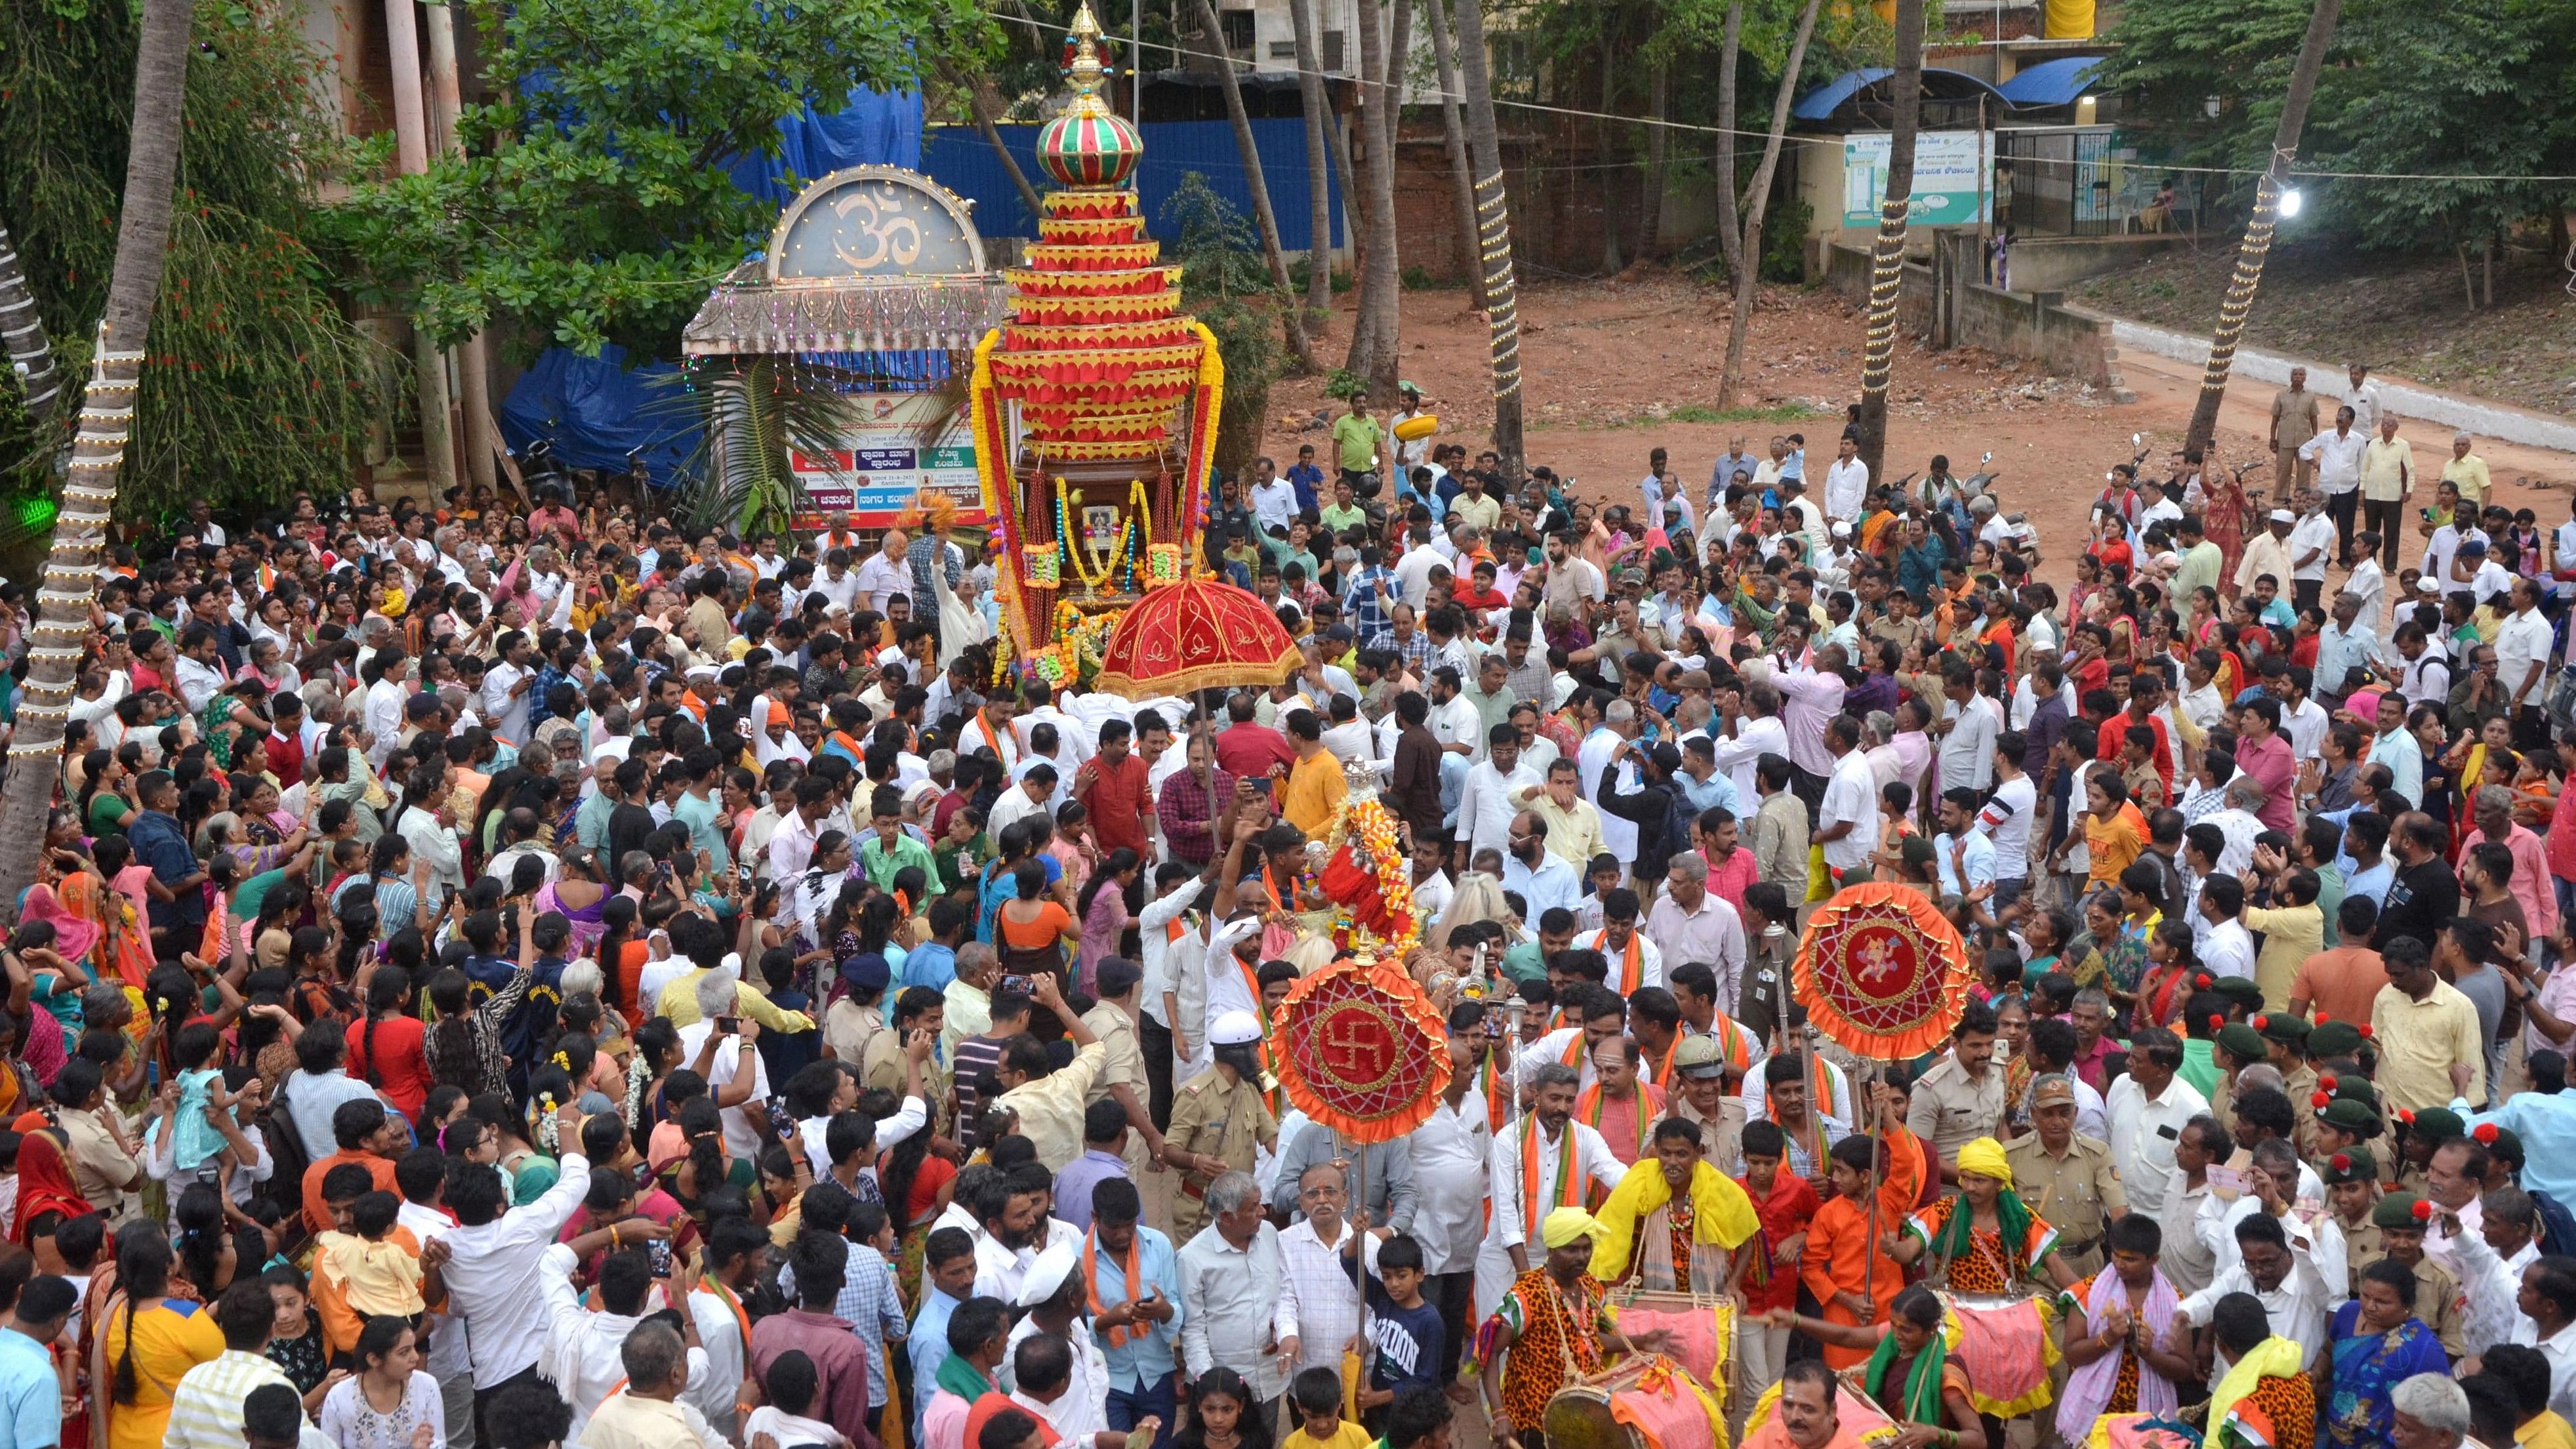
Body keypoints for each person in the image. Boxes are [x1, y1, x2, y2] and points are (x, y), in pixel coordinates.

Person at [1476, 1208, 1653, 1449]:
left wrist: (1644, 1340)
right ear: (1551, 1251)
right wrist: (1499, 1414)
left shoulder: (1590, 1286)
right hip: (1536, 1420)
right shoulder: (1526, 1296)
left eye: (1586, 1248)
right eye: (1571, 1249)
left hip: (1583, 1414)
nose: (1581, 1256)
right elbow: (1490, 1352)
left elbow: (1593, 1339)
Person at [1757, 1286, 1988, 1449]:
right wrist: (1795, 1320)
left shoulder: (1948, 1374)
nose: (1897, 1334)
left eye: (1906, 1329)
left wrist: (1933, 1434)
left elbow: (1978, 1438)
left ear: (1932, 1328)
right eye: (1894, 1325)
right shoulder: (1894, 1340)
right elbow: (1847, 1336)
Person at [2322, 1259, 2451, 1446]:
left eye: (2382, 1302)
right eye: (2365, 1296)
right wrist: (2317, 1373)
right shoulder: (2348, 1313)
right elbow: (2327, 1352)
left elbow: (2439, 1409)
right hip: (2335, 1435)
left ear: (2408, 1305)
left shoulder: (2424, 1349)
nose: (2370, 1306)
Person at [317, 1316, 447, 1449]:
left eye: (414, 1348)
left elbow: (438, 1443)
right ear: (374, 1360)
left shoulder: (426, 1386)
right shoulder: (339, 1398)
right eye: (404, 1353)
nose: (415, 1357)